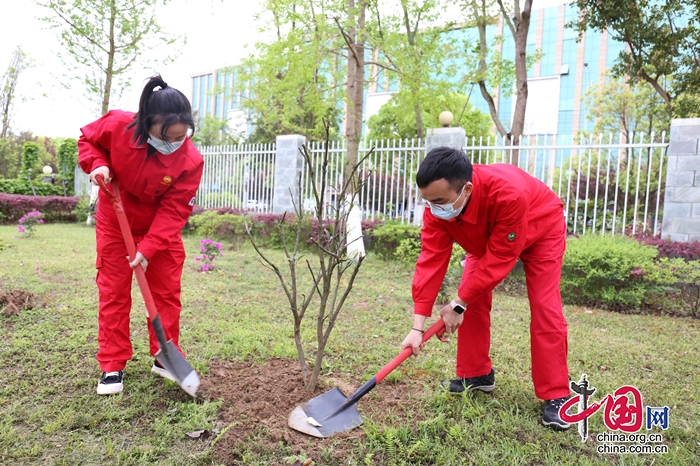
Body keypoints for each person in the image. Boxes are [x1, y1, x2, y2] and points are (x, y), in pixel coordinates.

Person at [401, 146, 571, 430]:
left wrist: (457, 304)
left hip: (541, 228)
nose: (432, 208)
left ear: (466, 189)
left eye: (439, 200)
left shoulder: (509, 193)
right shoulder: (438, 208)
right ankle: (478, 375)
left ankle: (558, 394)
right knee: (472, 298)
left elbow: (501, 257)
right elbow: (430, 261)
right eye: (427, 201)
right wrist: (417, 327)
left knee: (545, 307)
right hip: (485, 237)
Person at [78, 75, 204, 395]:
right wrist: (97, 165)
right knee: (114, 294)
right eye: (168, 137)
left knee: (166, 294)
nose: (175, 144)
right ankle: (112, 365)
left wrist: (147, 248)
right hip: (114, 223)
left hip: (158, 230)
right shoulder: (117, 125)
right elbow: (88, 141)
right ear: (148, 124)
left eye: (181, 136)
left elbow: (175, 210)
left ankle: (164, 357)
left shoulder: (190, 160)